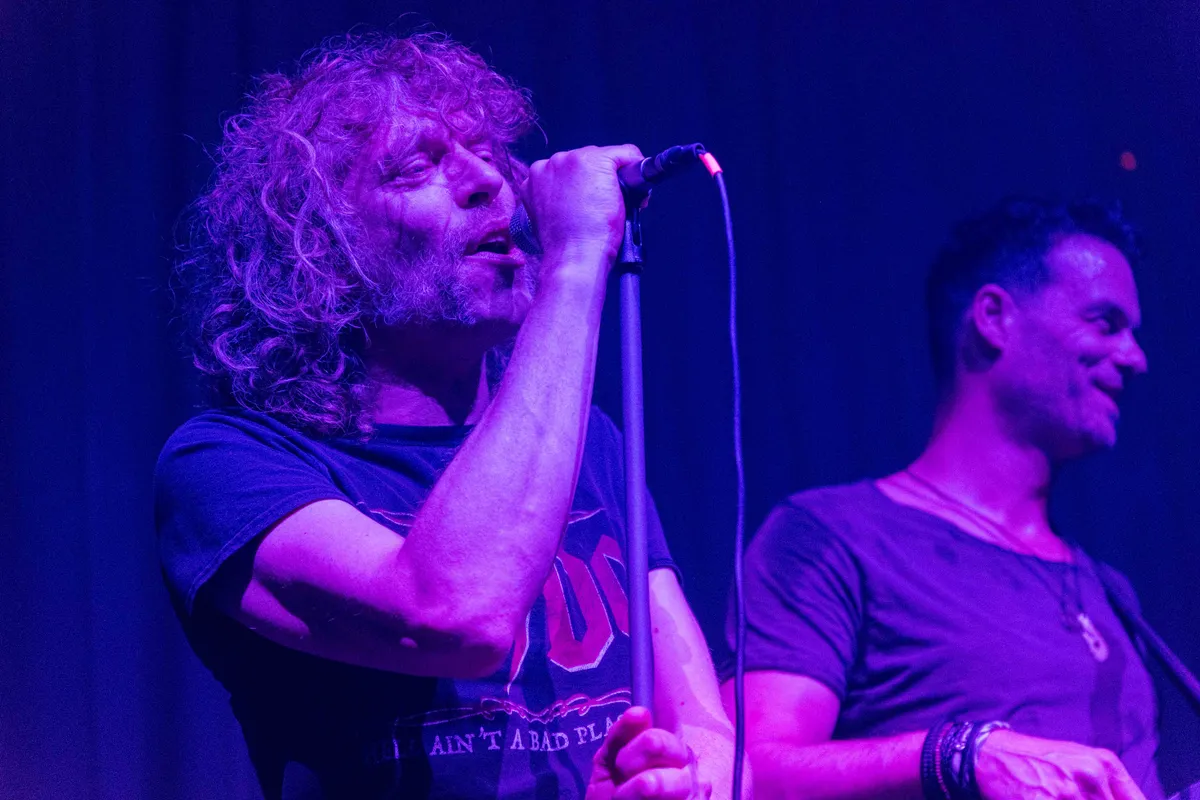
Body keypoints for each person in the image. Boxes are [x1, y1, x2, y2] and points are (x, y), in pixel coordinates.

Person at [156, 32, 734, 800]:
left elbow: (704, 727)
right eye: (416, 167)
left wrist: (683, 782)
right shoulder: (229, 464)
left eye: (487, 153)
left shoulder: (589, 441)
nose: (488, 181)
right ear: (321, 251)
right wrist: (572, 264)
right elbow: (455, 615)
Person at [723, 197, 1164, 800]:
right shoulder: (830, 536)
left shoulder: (1109, 589)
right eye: (1105, 322)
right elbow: (746, 773)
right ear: (994, 318)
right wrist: (960, 755)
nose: (1135, 358)